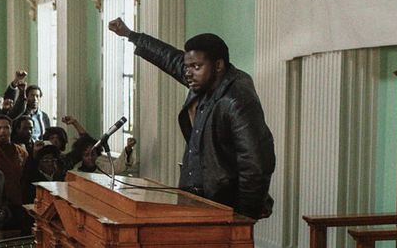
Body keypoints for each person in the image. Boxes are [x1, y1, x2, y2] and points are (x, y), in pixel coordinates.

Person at [108, 17, 275, 219]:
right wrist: (131, 35)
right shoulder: (202, 79)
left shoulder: (237, 99)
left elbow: (255, 163)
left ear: (219, 65)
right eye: (187, 66)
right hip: (194, 198)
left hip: (223, 205)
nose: (188, 72)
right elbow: (169, 57)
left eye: (196, 66)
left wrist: (244, 217)